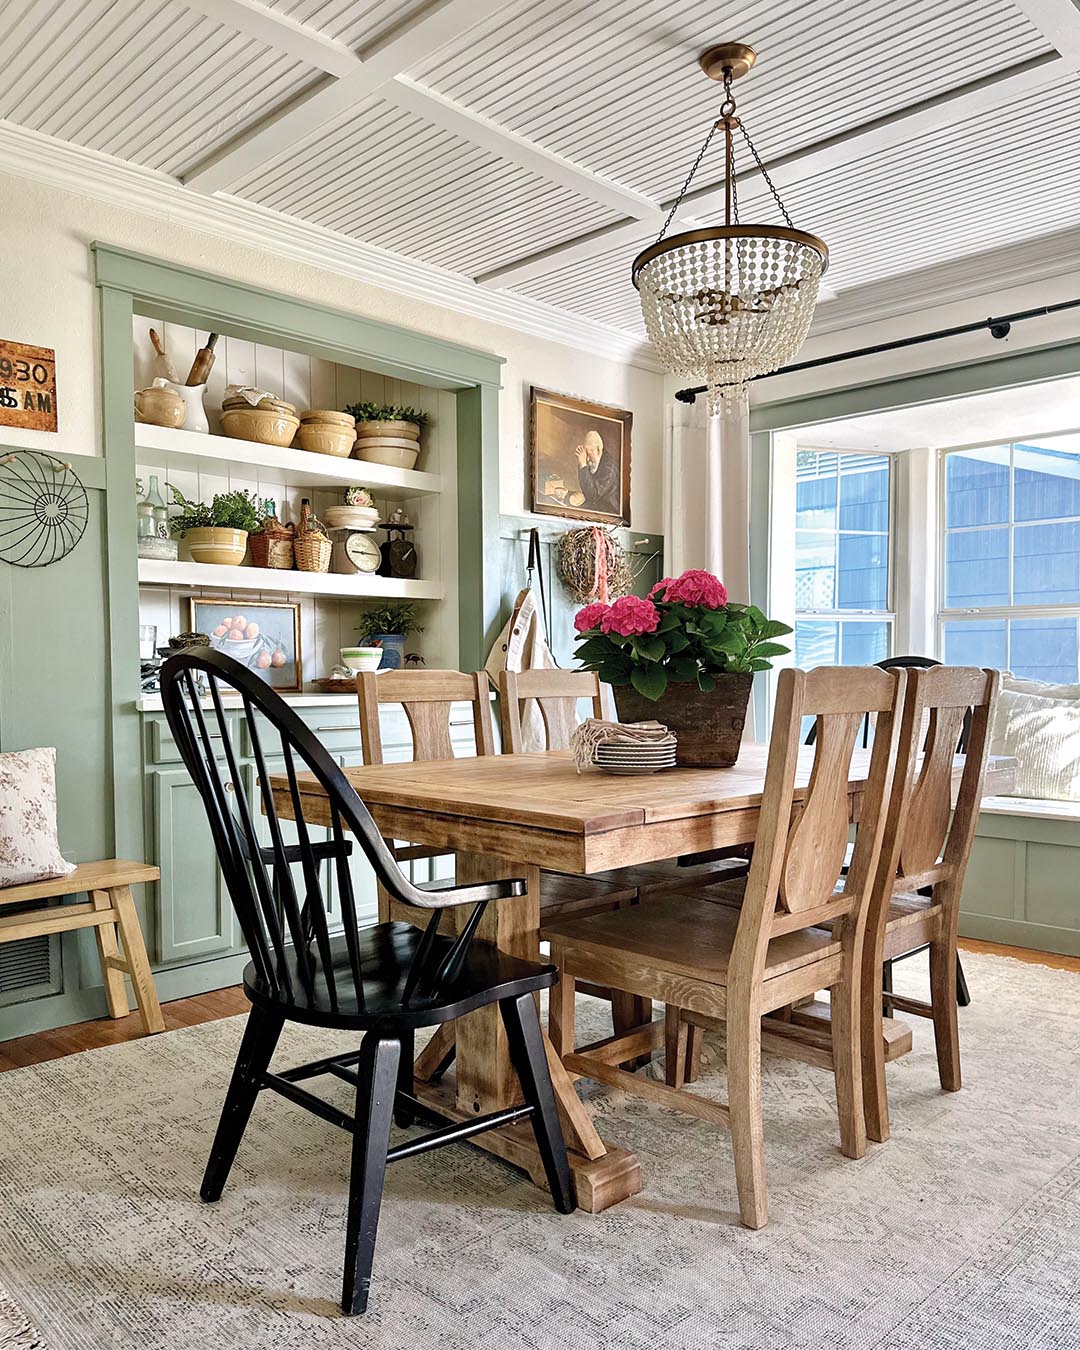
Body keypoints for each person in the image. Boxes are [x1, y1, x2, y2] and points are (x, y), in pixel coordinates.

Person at [574, 428, 620, 516]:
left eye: (589, 453)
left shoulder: (609, 468)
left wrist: (583, 465)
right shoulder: (596, 459)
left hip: (607, 512)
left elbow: (593, 496)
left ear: (598, 449)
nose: (587, 458)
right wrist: (582, 465)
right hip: (595, 507)